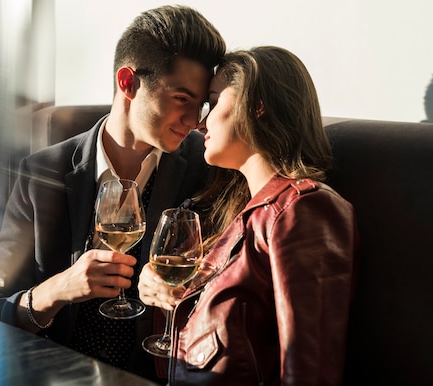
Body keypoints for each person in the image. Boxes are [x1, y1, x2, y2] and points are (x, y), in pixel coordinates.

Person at [0, 5, 226, 383]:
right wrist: (55, 291)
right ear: (128, 82)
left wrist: (184, 290)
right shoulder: (41, 174)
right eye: (182, 100)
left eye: (201, 105)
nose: (195, 122)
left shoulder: (208, 170)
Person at [138, 46, 359, 385]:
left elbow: (309, 371)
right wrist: (162, 288)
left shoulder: (304, 210)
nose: (199, 123)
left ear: (256, 107)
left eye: (211, 103)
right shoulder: (231, 209)